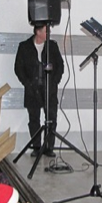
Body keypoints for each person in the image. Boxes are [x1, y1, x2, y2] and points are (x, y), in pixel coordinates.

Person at [14, 24, 64, 158]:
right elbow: (18, 68)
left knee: (51, 119)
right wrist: (28, 83)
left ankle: (49, 147)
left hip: (50, 90)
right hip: (32, 90)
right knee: (34, 119)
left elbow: (60, 65)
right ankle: (36, 147)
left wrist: (54, 82)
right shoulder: (24, 46)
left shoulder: (52, 46)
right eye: (46, 31)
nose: (49, 33)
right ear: (38, 31)